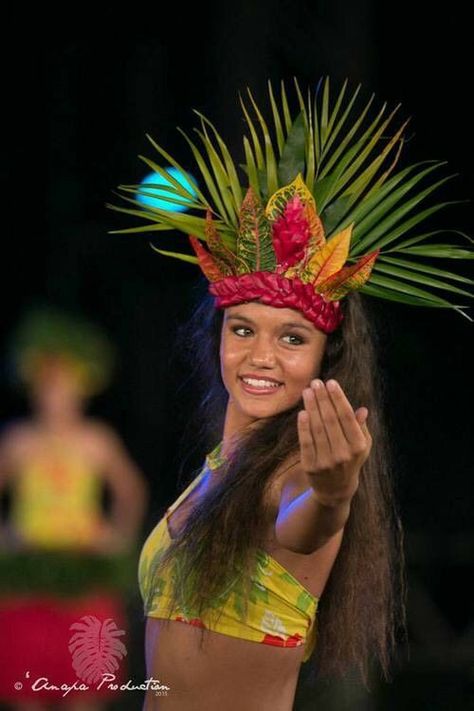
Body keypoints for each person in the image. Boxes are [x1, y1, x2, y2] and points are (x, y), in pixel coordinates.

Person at [107, 77, 473, 710]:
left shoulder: (296, 476)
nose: (260, 357)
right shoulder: (219, 472)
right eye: (242, 329)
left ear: (325, 358)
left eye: (293, 339)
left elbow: (303, 523)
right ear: (216, 336)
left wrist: (336, 493)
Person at [0, 306, 148, 710]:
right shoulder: (18, 440)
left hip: (85, 573)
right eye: (48, 384)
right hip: (28, 573)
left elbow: (130, 490)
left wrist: (116, 537)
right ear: (33, 386)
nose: (56, 395)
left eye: (65, 384)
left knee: (84, 688)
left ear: (84, 386)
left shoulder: (95, 440)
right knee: (26, 687)